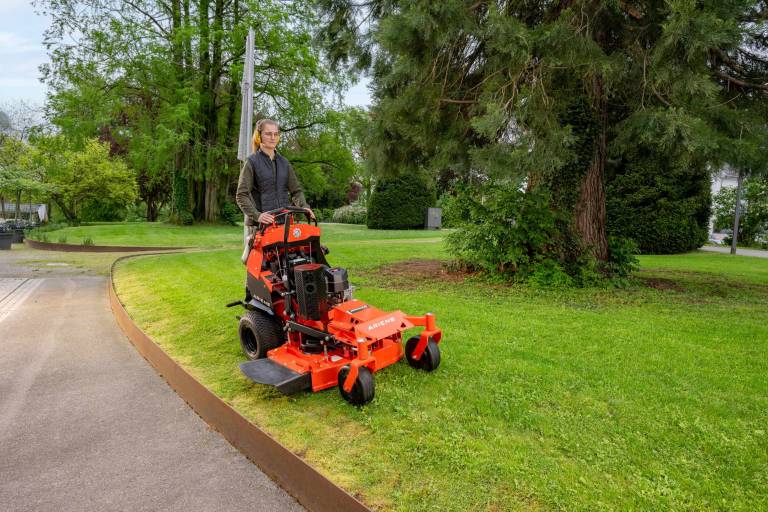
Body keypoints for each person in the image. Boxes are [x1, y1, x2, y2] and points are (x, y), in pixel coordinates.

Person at [236, 119, 313, 255]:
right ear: (259, 136)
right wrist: (257, 215)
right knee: (264, 265)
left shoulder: (284, 163)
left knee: (290, 262)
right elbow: (241, 195)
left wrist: (304, 207)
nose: (273, 137)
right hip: (261, 227)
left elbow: (296, 191)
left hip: (284, 223)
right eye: (268, 134)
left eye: (276, 134)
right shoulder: (252, 162)